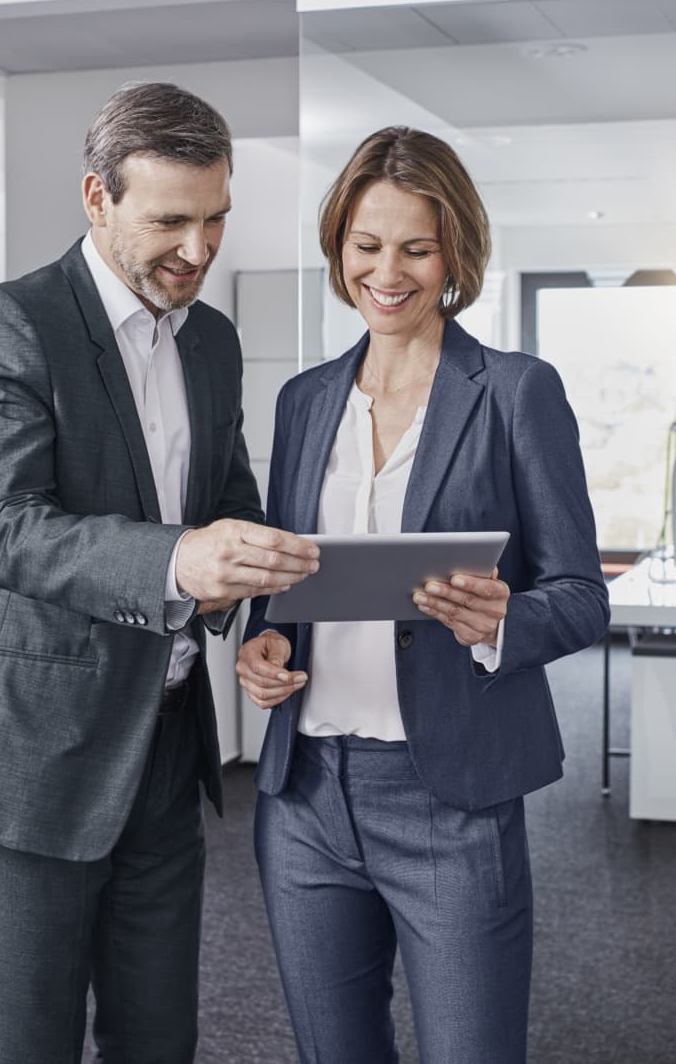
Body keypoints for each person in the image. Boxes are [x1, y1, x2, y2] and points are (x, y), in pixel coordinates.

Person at [0, 81, 319, 1064]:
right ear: (96, 198)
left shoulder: (212, 341)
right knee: (32, 1041)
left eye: (216, 217)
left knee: (156, 1038)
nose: (199, 248)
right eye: (170, 220)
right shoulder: (12, 322)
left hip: (168, 752)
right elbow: (7, 529)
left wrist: (257, 607)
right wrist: (179, 557)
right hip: (34, 760)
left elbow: (233, 500)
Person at [237, 126, 609, 1064]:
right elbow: (287, 578)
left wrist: (504, 621)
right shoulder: (305, 400)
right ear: (339, 249)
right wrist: (262, 643)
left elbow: (578, 592)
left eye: (416, 247)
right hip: (306, 794)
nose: (387, 272)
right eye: (366, 246)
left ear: (455, 254)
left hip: (451, 792)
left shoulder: (516, 391)